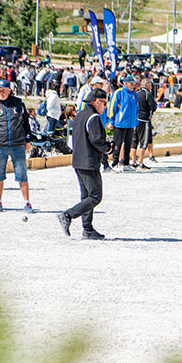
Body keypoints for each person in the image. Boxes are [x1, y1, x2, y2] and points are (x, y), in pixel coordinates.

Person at [60, 88, 111, 240]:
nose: (105, 106)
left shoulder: (80, 115)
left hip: (78, 160)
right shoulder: (93, 117)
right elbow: (96, 140)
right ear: (96, 102)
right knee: (95, 196)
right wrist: (108, 148)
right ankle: (67, 215)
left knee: (86, 197)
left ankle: (87, 229)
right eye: (104, 103)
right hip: (89, 161)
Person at [0, 78, 33, 213]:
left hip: (18, 144)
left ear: (9, 90)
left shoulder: (18, 103)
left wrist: (28, 140)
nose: (0, 92)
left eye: (3, 90)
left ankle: (26, 202)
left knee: (22, 174)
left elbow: (26, 122)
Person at [108, 76, 138, 170]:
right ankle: (115, 162)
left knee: (128, 144)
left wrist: (135, 123)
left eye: (134, 84)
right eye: (131, 84)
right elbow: (113, 107)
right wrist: (111, 121)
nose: (133, 86)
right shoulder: (119, 92)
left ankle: (125, 163)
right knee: (118, 143)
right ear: (126, 83)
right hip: (120, 123)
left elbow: (136, 109)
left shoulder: (134, 94)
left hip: (130, 124)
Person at [133, 76, 157, 170]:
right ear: (147, 85)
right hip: (144, 120)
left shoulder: (136, 93)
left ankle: (134, 161)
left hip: (135, 119)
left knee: (134, 142)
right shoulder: (148, 94)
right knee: (143, 141)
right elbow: (153, 107)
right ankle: (141, 162)